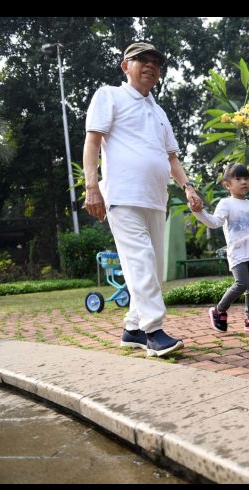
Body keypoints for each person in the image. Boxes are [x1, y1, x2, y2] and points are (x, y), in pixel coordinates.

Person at [83, 41, 203, 357]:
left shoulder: (159, 112)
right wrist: (91, 187)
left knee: (154, 267)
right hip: (123, 196)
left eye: (155, 61)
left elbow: (172, 159)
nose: (150, 65)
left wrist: (188, 187)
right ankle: (153, 333)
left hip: (155, 199)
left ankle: (133, 328)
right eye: (141, 59)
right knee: (140, 262)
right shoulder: (109, 96)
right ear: (126, 66)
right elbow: (93, 141)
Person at [189, 163, 249, 333]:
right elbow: (214, 223)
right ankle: (219, 310)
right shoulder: (225, 203)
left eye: (246, 178)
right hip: (237, 253)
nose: (244, 182)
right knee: (242, 283)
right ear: (227, 185)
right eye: (238, 179)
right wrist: (198, 212)